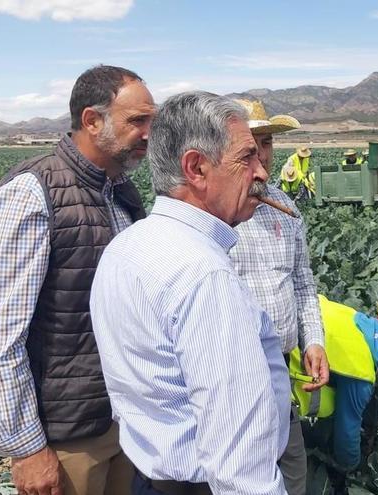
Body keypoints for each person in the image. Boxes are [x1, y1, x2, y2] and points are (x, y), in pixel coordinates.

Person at [89, 92, 290, 495]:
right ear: (196, 167)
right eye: (246, 157)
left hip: (149, 477)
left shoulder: (128, 245)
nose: (262, 172)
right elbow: (239, 460)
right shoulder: (203, 274)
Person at [0, 65, 154, 495]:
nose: (149, 133)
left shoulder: (121, 192)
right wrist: (26, 448)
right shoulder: (32, 193)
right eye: (137, 121)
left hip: (120, 419)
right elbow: (1, 337)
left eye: (152, 121)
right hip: (66, 437)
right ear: (92, 121)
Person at [229, 98, 328, 495]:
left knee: (293, 475)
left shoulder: (284, 206)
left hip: (280, 373)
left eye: (267, 143)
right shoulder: (215, 214)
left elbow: (302, 281)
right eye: (251, 144)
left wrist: (314, 340)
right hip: (231, 378)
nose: (262, 155)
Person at [288, 295, 378, 470]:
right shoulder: (361, 371)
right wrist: (351, 469)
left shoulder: (349, 315)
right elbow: (347, 431)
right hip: (275, 376)